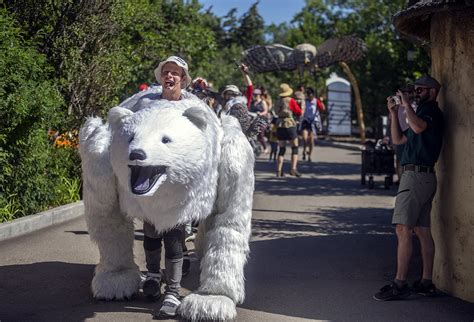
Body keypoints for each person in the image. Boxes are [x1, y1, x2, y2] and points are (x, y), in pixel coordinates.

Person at [373, 75, 444, 301]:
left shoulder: (431, 111)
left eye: (420, 90)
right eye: (414, 90)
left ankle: (400, 283)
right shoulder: (421, 112)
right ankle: (426, 282)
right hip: (419, 176)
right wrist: (394, 113)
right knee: (422, 231)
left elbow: (418, 127)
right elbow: (398, 139)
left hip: (417, 176)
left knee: (402, 229)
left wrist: (406, 105)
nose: (416, 93)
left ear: (433, 91)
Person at [141, 55, 192, 317]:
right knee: (150, 231)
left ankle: (173, 292)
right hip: (151, 181)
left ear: (183, 79)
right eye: (166, 72)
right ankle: (151, 276)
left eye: (174, 73)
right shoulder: (148, 105)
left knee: (173, 237)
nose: (169, 76)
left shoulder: (192, 107)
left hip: (177, 183)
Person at [274, 83, 303, 177]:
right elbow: (299, 112)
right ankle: (293, 169)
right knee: (295, 147)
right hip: (290, 124)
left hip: (280, 125)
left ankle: (278, 171)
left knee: (281, 149)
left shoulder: (277, 101)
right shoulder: (291, 100)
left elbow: (275, 111)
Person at [300, 87, 325, 162]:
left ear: (313, 94)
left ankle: (309, 155)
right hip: (305, 121)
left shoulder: (316, 101)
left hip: (313, 122)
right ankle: (304, 150)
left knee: (311, 141)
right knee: (304, 138)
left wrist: (321, 102)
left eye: (310, 94)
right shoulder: (305, 101)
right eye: (308, 94)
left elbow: (323, 109)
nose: (309, 96)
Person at [250, 88, 269, 153]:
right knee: (252, 135)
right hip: (253, 120)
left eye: (257, 95)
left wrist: (260, 113)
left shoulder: (262, 102)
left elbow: (266, 111)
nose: (255, 96)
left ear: (259, 95)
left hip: (261, 120)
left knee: (260, 135)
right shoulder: (252, 102)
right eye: (254, 95)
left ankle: (265, 147)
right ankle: (255, 147)